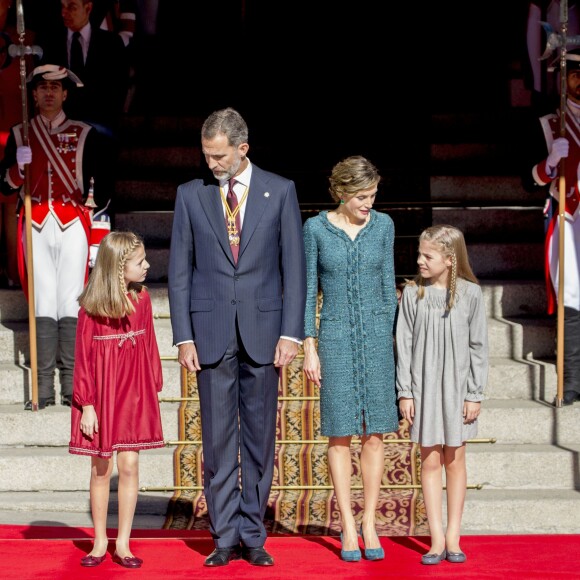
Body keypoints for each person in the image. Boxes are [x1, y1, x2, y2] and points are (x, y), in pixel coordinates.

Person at [168, 107, 306, 568]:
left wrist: (292, 332)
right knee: (218, 440)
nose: (212, 164)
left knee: (260, 439)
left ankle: (254, 531)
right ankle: (224, 535)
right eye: (207, 155)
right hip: (209, 332)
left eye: (220, 155)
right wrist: (183, 336)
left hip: (265, 331)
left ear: (243, 148)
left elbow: (295, 270)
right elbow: (179, 272)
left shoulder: (281, 191)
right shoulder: (191, 195)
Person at [302, 155, 399, 562]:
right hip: (336, 336)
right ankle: (346, 522)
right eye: (361, 196)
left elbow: (388, 284)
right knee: (339, 434)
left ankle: (370, 522)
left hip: (377, 338)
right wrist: (309, 344)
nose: (369, 203)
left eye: (373, 194)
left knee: (374, 433)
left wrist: (395, 343)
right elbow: (309, 290)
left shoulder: (384, 226)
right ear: (340, 193)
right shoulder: (315, 229)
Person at [0, 63, 109, 410]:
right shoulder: (20, 134)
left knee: (70, 301)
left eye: (55, 88)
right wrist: (18, 168)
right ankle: (43, 389)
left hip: (73, 224)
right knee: (43, 302)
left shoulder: (85, 133)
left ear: (65, 94)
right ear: (33, 93)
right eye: (42, 87)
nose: (48, 93)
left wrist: (97, 241)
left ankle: (72, 387)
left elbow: (101, 192)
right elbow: (4, 186)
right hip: (34, 223)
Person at [69, 230, 164, 569]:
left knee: (129, 464)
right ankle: (99, 541)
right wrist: (87, 405)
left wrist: (153, 385)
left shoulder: (143, 300)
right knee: (100, 467)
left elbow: (150, 344)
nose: (148, 266)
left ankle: (123, 542)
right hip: (101, 394)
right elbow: (82, 361)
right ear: (118, 267)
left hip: (133, 392)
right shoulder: (89, 310)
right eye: (140, 262)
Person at [395, 225, 488, 565]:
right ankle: (435, 539)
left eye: (427, 256)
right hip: (423, 388)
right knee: (430, 459)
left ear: (449, 260)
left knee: (455, 459)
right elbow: (403, 344)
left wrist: (474, 393)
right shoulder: (412, 293)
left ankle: (453, 536)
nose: (420, 260)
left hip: (457, 389)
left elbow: (479, 347)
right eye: (420, 254)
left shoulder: (471, 295)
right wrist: (405, 392)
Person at [522, 47, 580, 405]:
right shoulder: (548, 123)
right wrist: (549, 162)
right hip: (569, 218)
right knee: (572, 296)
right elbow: (527, 181)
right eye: (575, 73)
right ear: (564, 78)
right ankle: (572, 381)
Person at [37, 0, 130, 222]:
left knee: (100, 185)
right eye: (61, 6)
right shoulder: (49, 41)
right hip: (60, 127)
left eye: (72, 6)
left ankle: (100, 226)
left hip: (100, 128)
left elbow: (118, 89)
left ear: (88, 8)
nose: (65, 12)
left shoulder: (111, 43)